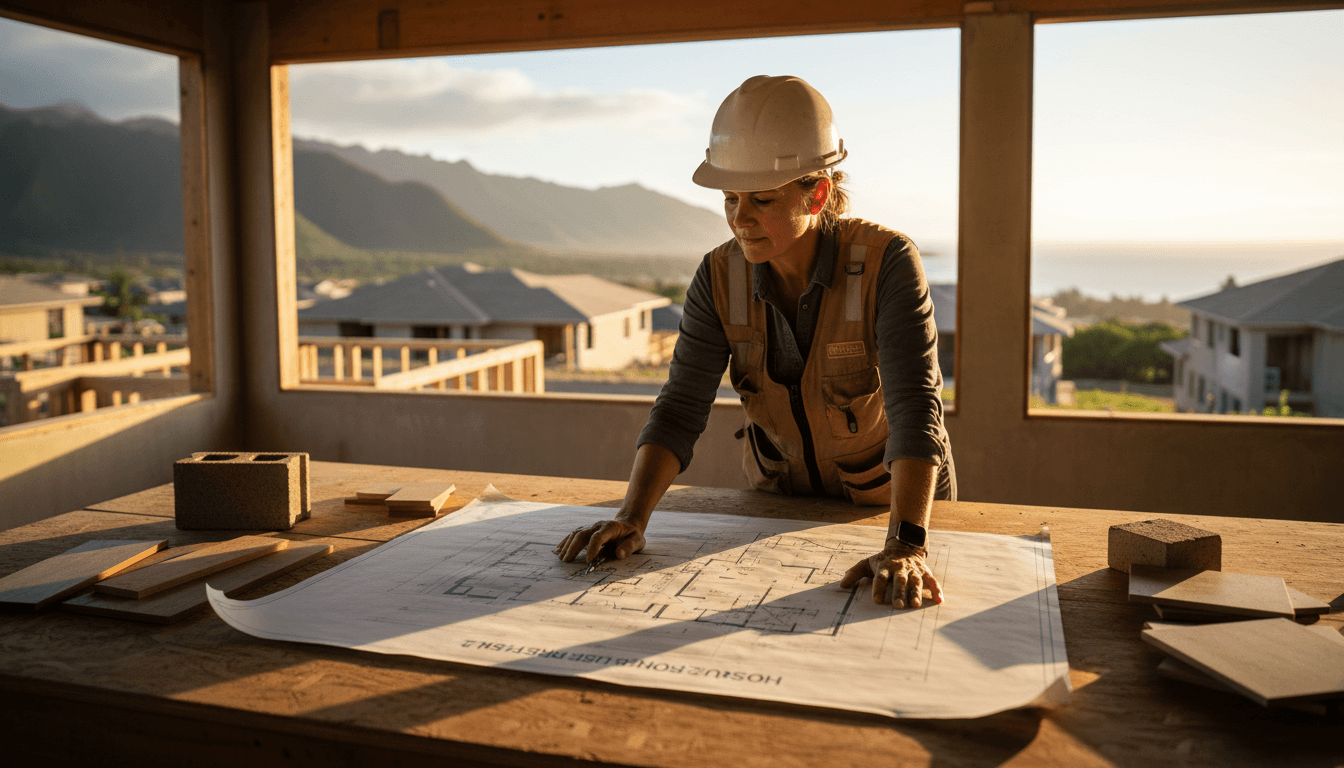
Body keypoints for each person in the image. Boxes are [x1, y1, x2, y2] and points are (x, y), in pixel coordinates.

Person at [553, 75, 955, 609]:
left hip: (893, 510)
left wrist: (907, 543)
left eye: (762, 200)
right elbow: (679, 407)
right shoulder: (718, 276)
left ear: (818, 192)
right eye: (729, 199)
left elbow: (915, 411)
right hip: (777, 502)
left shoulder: (888, 264)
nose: (740, 220)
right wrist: (633, 516)